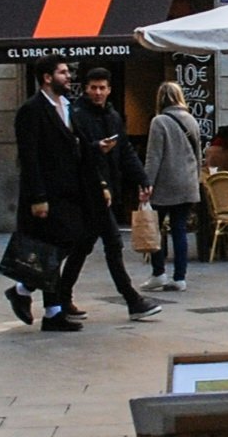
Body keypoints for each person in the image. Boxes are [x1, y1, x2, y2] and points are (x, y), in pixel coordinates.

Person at [63, 65, 163, 322]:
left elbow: (125, 150)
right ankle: (132, 299)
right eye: (93, 88)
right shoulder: (76, 115)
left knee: (83, 246)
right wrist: (97, 149)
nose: (98, 92)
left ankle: (61, 296)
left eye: (102, 88)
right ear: (85, 89)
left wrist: (141, 178)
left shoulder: (113, 116)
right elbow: (77, 153)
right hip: (90, 190)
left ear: (109, 90)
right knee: (113, 243)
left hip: (107, 189)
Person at [8, 56, 86, 332]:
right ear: (47, 77)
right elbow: (29, 157)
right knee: (51, 248)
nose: (68, 76)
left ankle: (23, 288)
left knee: (66, 243)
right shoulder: (31, 110)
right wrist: (38, 196)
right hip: (45, 194)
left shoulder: (67, 107)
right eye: (62, 72)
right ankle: (52, 312)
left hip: (68, 192)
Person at [143, 82, 206, 293]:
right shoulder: (191, 120)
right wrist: (195, 179)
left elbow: (154, 157)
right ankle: (180, 277)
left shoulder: (159, 122)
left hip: (164, 184)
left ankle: (158, 273)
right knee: (179, 229)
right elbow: (198, 154)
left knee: (155, 228)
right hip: (187, 183)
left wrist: (146, 183)